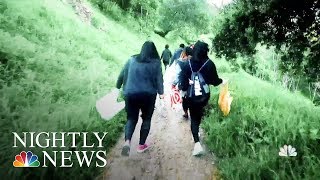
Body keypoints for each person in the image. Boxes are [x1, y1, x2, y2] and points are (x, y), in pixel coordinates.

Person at [116, 41, 164, 156]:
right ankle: (141, 145)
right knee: (146, 119)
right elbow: (159, 80)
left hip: (130, 93)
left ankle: (127, 142)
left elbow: (121, 75)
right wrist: (161, 94)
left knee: (131, 118)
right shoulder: (156, 63)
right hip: (148, 95)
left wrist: (117, 88)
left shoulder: (131, 60)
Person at [178, 41, 225, 156]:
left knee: (194, 117)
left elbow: (183, 83)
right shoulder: (209, 63)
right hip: (204, 97)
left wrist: (184, 89)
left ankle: (197, 143)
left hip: (191, 96)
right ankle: (198, 128)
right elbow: (214, 81)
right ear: (206, 51)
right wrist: (222, 81)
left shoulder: (186, 64)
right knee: (198, 114)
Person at [172, 46, 193, 119]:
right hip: (194, 83)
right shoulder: (195, 61)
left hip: (184, 83)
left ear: (184, 53)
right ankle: (193, 113)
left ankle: (186, 113)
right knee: (192, 98)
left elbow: (177, 74)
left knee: (184, 98)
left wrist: (174, 83)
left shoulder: (180, 62)